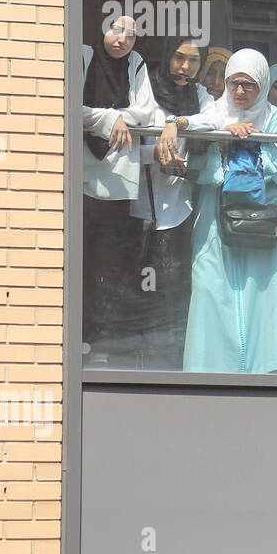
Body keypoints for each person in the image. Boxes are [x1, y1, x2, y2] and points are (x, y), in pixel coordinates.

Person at [183, 49, 277, 374]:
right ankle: (209, 383)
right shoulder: (214, 115)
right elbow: (198, 171)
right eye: (235, 83)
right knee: (211, 294)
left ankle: (265, 378)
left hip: (264, 225)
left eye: (249, 85)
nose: (240, 92)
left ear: (262, 85)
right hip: (215, 225)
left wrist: (253, 145)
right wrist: (222, 144)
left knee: (265, 304)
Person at [114, 37, 220, 367]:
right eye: (178, 58)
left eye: (192, 61)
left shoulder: (198, 94)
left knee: (171, 292)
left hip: (178, 211)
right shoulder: (145, 83)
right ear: (166, 57)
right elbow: (127, 138)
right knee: (130, 290)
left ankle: (166, 362)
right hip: (137, 210)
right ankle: (128, 360)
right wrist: (158, 153)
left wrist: (177, 124)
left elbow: (215, 121)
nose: (185, 68)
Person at [81, 15, 158, 355]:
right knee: (83, 258)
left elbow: (147, 113)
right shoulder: (83, 56)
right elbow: (69, 107)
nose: (123, 39)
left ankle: (103, 337)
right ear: (102, 30)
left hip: (119, 181)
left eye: (131, 35)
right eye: (116, 29)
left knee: (111, 262)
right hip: (82, 176)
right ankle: (81, 333)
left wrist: (118, 117)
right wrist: (113, 118)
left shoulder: (136, 64)